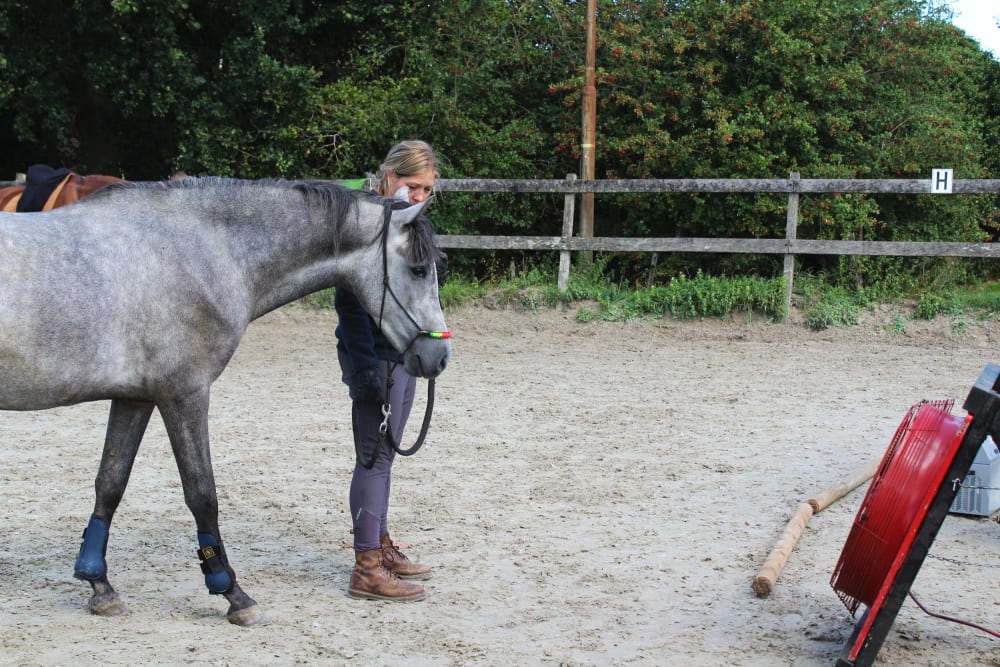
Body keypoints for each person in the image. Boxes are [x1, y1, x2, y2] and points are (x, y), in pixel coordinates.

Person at [335, 140, 444, 602]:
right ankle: (366, 568)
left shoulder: (407, 222)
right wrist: (363, 372)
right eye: (412, 185)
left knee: (387, 455)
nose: (418, 197)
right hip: (376, 356)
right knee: (373, 457)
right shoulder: (363, 223)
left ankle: (378, 544)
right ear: (389, 176)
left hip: (403, 352)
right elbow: (349, 303)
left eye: (426, 190)